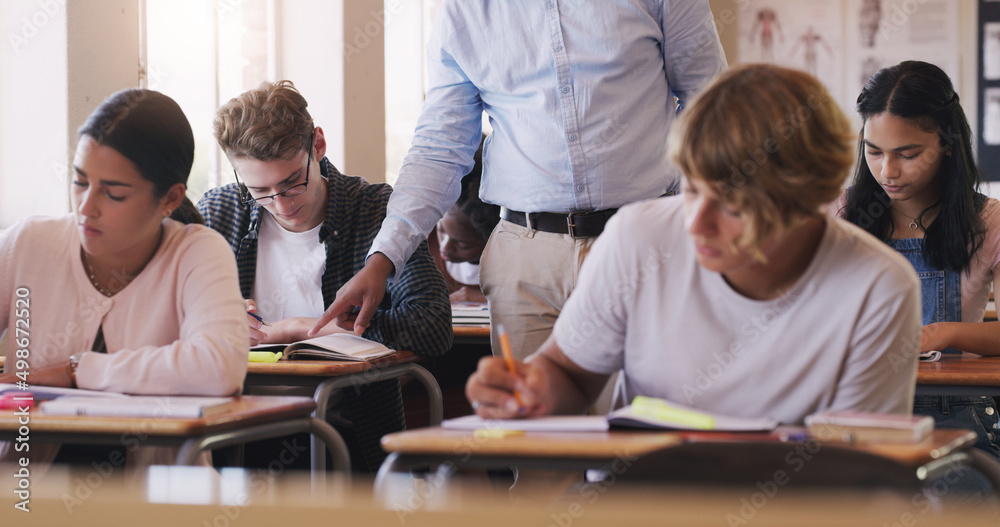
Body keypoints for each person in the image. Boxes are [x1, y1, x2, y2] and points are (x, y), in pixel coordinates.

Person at [466, 64, 921, 428]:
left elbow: (858, 472)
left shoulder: (877, 286)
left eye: (731, 205)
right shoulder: (637, 237)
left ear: (811, 203)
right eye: (691, 190)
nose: (696, 223)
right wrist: (532, 388)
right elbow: (570, 373)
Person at [313, 0, 729, 362]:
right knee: (530, 437)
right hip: (524, 258)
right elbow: (440, 146)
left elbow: (710, 104)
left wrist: (694, 216)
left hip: (641, 242)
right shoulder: (464, 11)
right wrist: (382, 259)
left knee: (632, 436)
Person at [197, 80, 452, 471]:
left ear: (318, 145)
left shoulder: (374, 209)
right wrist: (214, 318)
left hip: (350, 429)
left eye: (292, 182)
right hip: (235, 428)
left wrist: (300, 328)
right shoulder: (221, 211)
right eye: (259, 190)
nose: (281, 205)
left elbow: (432, 326)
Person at [0, 89, 248, 470]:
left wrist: (77, 370)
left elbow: (218, 368)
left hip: (160, 500)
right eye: (80, 181)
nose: (86, 207)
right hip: (23, 495)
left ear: (169, 198)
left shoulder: (197, 252)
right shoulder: (29, 243)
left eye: (113, 193)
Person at [839, 61, 1000, 463]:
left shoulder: (989, 222)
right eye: (873, 151)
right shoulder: (839, 215)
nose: (887, 171)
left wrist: (939, 334)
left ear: (947, 143)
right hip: (857, 415)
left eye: (908, 154)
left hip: (958, 419)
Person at [427, 138, 499, 304]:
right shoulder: (425, 248)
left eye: (463, 244)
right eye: (441, 231)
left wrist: (491, 299)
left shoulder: (512, 266)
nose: (445, 246)